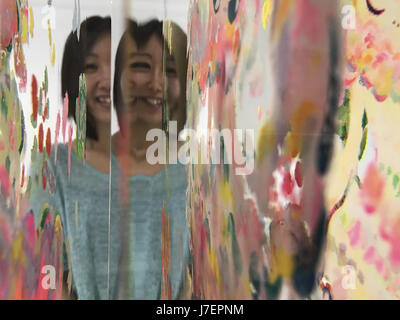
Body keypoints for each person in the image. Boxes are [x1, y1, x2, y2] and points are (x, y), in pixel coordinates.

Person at [30, 16, 113, 299]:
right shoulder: (52, 163)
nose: (107, 79)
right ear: (73, 76)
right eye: (92, 67)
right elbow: (46, 274)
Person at [112, 19, 190, 300]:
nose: (157, 84)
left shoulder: (198, 172)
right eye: (142, 66)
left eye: (170, 70)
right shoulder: (77, 166)